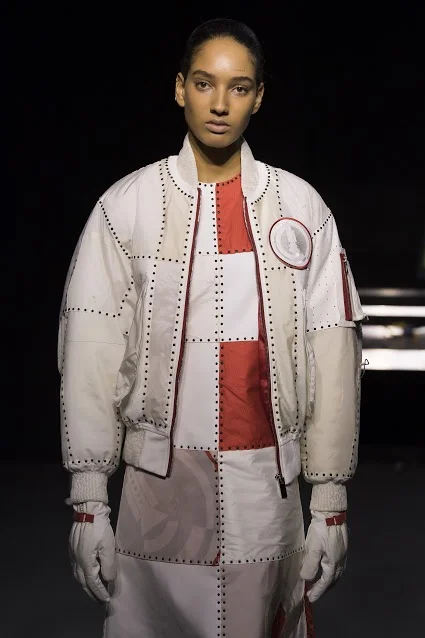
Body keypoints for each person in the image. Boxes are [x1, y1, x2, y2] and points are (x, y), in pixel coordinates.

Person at [59, 17, 365, 638]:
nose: (220, 104)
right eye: (204, 83)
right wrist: (89, 499)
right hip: (157, 494)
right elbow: (91, 347)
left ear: (259, 96)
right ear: (180, 88)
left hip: (267, 494)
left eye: (239, 87)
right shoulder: (126, 206)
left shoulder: (301, 207)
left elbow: (334, 353)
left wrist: (330, 501)